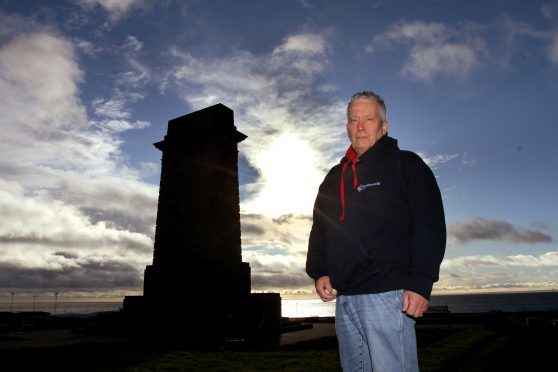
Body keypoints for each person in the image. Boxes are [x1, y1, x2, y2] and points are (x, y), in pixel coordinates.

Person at [306, 91, 446, 371]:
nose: (360, 126)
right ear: (347, 127)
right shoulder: (334, 176)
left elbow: (429, 225)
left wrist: (420, 283)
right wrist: (320, 269)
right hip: (345, 299)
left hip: (388, 295)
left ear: (384, 126)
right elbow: (321, 227)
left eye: (368, 119)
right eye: (353, 119)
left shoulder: (406, 165)